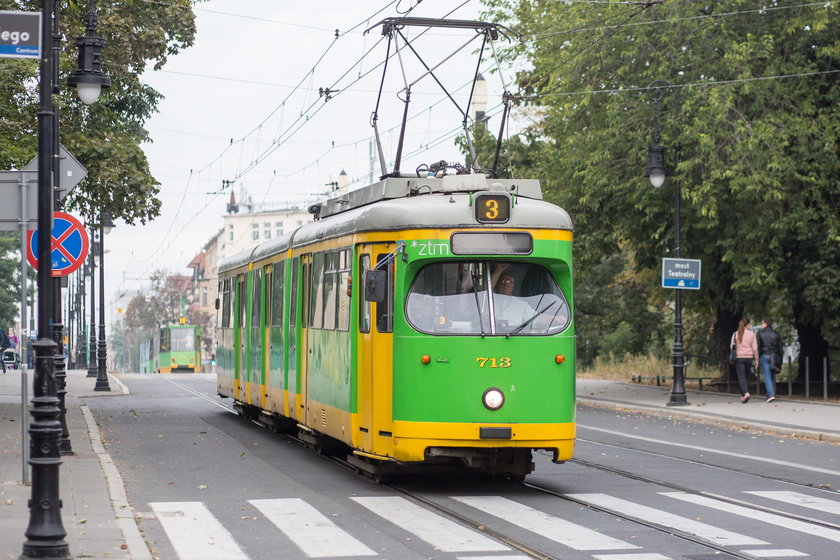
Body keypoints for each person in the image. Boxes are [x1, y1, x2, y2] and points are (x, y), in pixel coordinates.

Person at [731, 318, 758, 403]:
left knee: (741, 377)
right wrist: (756, 359)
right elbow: (755, 348)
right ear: (748, 325)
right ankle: (743, 395)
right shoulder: (752, 334)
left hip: (739, 358)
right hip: (749, 358)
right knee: (745, 376)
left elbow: (732, 347)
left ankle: (746, 393)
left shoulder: (735, 334)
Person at [757, 317, 782, 403]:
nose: (761, 324)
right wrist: (780, 360)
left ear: (765, 323)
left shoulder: (760, 333)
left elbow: (758, 347)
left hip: (764, 355)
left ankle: (771, 394)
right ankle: (770, 393)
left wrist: (756, 358)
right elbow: (780, 348)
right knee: (772, 374)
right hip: (774, 356)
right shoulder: (776, 334)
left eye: (762, 323)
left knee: (766, 375)